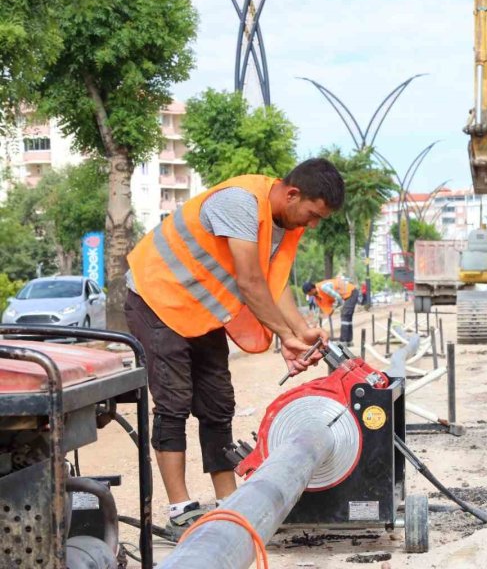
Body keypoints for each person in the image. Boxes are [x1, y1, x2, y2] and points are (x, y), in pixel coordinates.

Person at [124, 158, 344, 535]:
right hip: (156, 299)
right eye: (312, 214)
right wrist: (285, 337)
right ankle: (181, 510)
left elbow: (274, 283)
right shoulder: (240, 203)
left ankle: (228, 502)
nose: (312, 224)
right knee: (174, 403)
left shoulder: (283, 221)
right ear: (292, 194)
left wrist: (301, 329)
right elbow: (249, 281)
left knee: (217, 402)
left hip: (200, 311)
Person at [302, 277, 359, 344]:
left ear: (312, 289)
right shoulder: (317, 296)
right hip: (346, 296)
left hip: (351, 292)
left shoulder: (323, 287)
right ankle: (349, 341)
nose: (309, 295)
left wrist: (336, 307)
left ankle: (343, 341)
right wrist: (314, 325)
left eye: (308, 293)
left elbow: (338, 297)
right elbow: (318, 311)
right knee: (347, 318)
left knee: (345, 315)